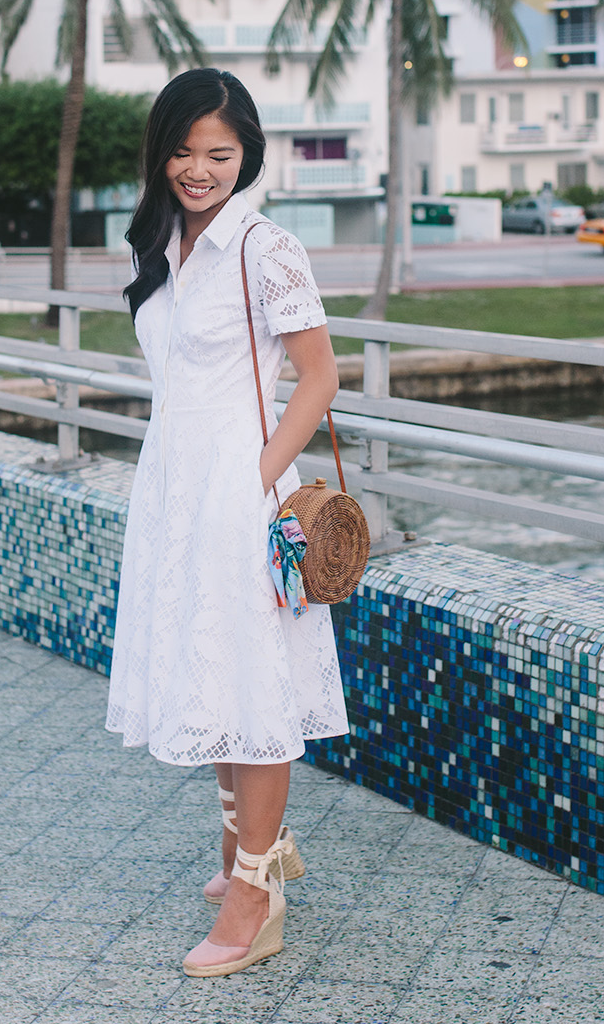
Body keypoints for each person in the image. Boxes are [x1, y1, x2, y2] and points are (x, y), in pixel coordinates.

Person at [106, 68, 349, 978]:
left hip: (237, 486)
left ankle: (258, 893)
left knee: (254, 689)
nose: (198, 169)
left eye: (219, 153)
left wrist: (254, 477)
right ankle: (244, 851)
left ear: (247, 153)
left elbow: (319, 376)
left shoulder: (266, 247)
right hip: (171, 485)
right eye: (181, 150)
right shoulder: (161, 241)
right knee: (208, 670)